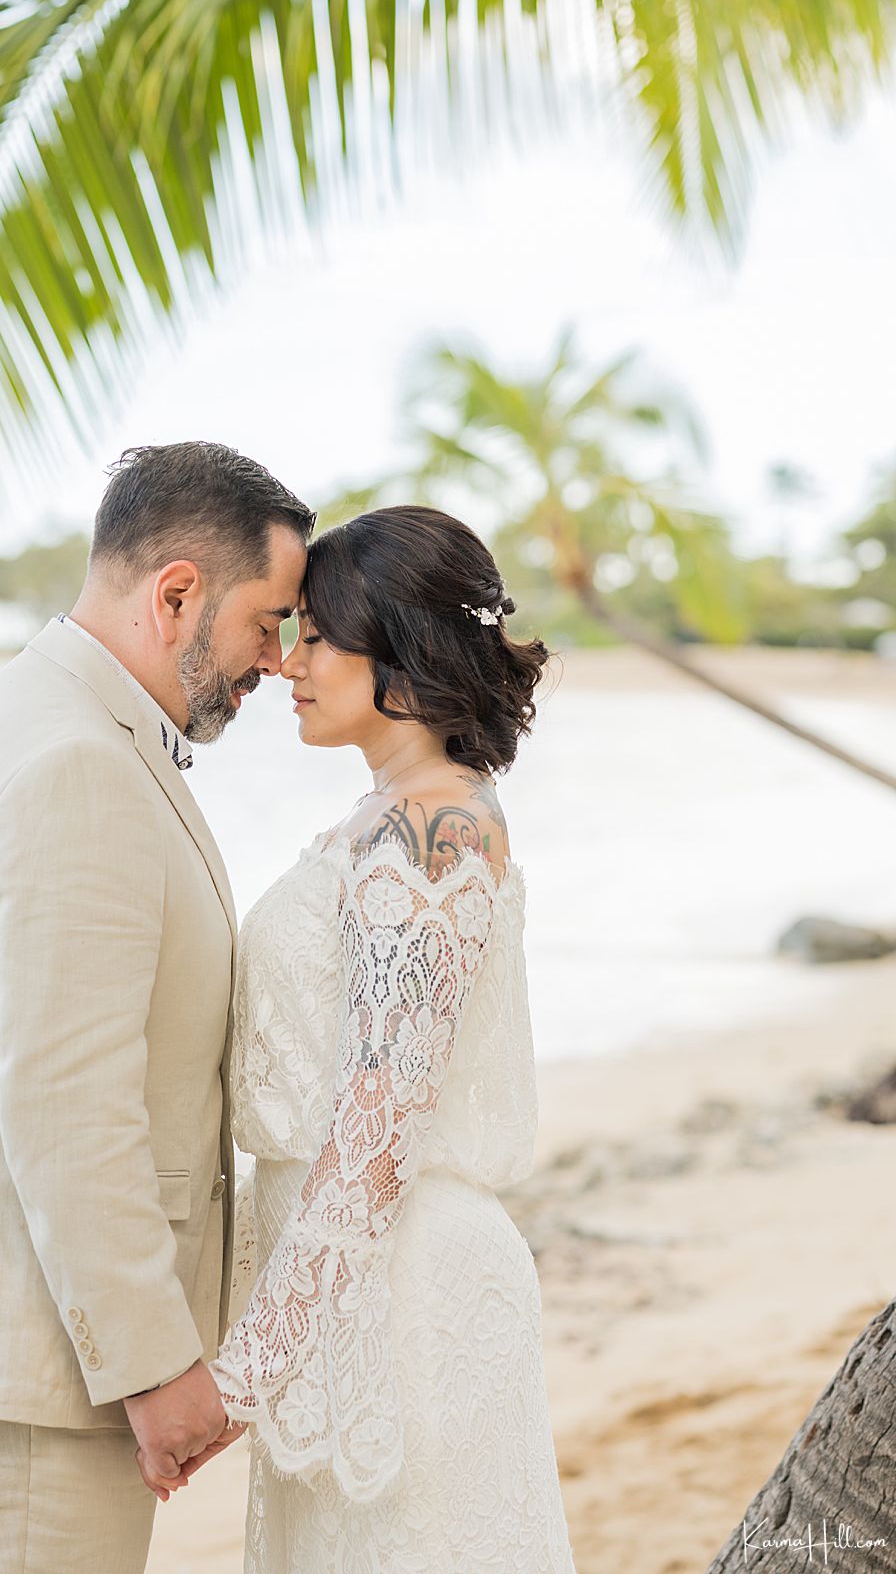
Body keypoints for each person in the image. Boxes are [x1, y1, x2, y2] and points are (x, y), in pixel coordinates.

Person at [0, 440, 313, 1574]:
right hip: (22, 1377)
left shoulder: (66, 719)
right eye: (267, 620)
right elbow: (66, 1105)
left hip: (18, 1353)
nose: (275, 659)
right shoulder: (75, 765)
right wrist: (155, 1366)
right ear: (178, 592)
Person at [201, 503, 578, 1571]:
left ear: (401, 652)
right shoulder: (401, 813)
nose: (287, 663)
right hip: (365, 1287)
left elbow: (375, 1139)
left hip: (410, 1299)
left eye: (318, 634)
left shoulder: (430, 829)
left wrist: (243, 1375)